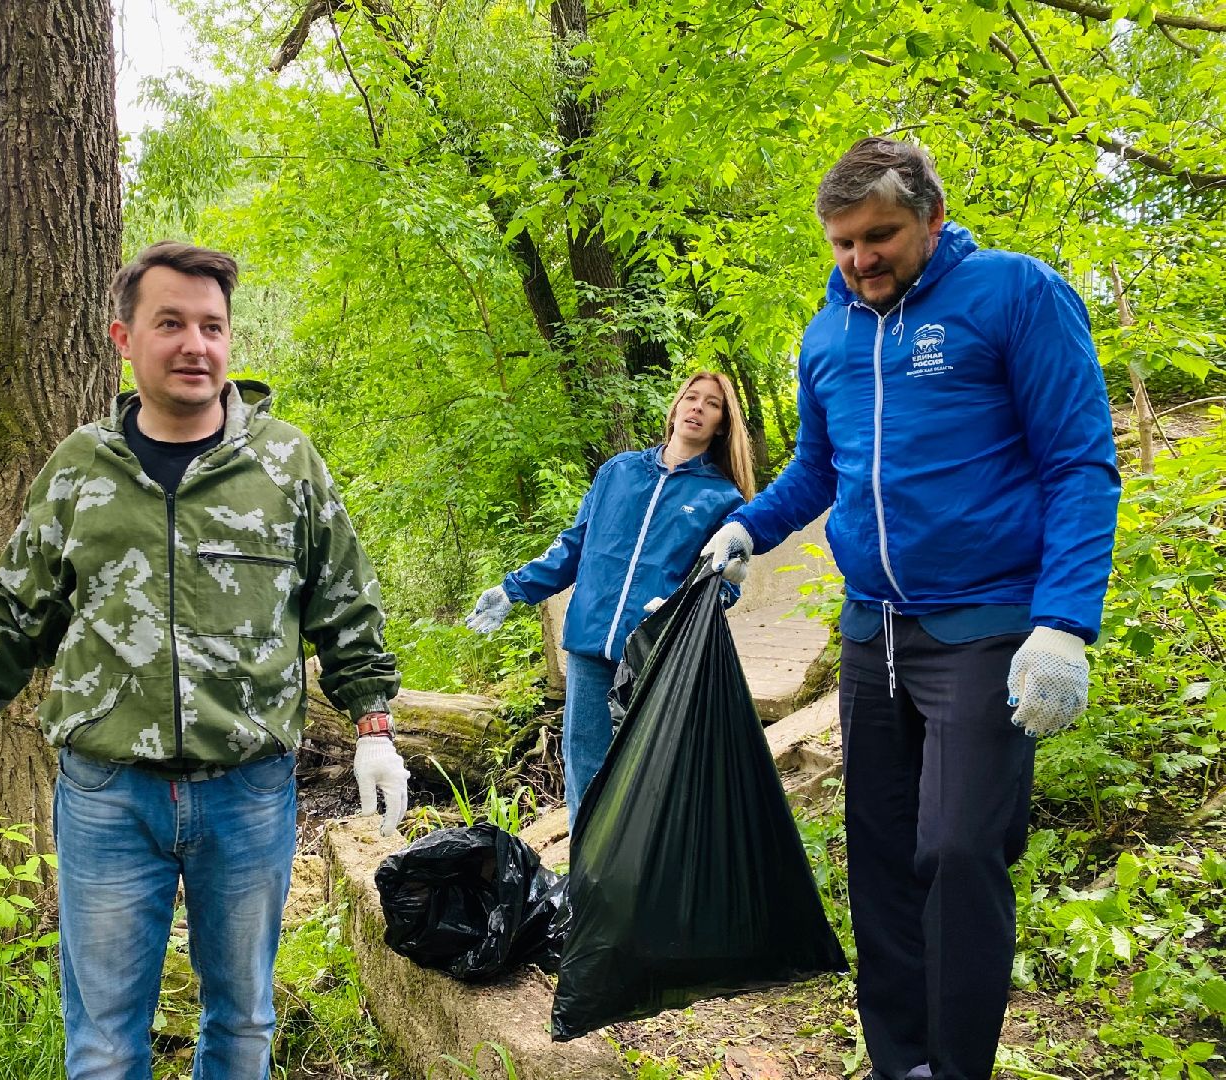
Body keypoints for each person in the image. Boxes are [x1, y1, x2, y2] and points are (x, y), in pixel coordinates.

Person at [0, 241, 410, 1079]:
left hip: (247, 792)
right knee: (103, 1044)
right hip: (107, 794)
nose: (195, 344)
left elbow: (344, 603)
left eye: (212, 326)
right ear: (123, 337)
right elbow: (15, 611)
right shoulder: (78, 470)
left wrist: (375, 726)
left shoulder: (285, 463)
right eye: (170, 322)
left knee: (243, 1026)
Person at [702, 138, 1120, 1080]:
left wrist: (1064, 621)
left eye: (879, 235)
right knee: (882, 861)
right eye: (843, 243)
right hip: (872, 632)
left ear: (931, 216)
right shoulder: (828, 334)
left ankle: (958, 1067)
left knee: (963, 850)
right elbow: (818, 469)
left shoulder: (1015, 296)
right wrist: (746, 529)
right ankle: (902, 1065)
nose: (860, 260)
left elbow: (1079, 463)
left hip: (986, 627)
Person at [466, 372, 754, 827]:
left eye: (712, 404)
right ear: (675, 408)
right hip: (590, 646)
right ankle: (587, 877)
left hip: (654, 652)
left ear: (722, 423)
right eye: (691, 398)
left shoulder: (722, 497)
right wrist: (512, 589)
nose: (698, 408)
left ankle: (641, 877)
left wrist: (711, 593)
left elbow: (724, 586)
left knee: (652, 770)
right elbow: (573, 548)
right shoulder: (618, 472)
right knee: (584, 764)